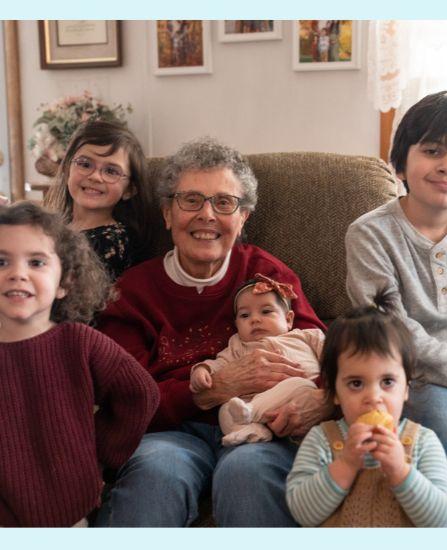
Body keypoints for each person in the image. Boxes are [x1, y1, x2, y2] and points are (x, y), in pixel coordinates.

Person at [93, 136, 326, 527]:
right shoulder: (130, 294)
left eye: (223, 203)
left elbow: (327, 356)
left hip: (264, 428)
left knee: (247, 472)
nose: (207, 215)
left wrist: (320, 400)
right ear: (167, 213)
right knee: (156, 471)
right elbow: (124, 400)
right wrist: (212, 389)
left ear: (243, 218)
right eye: (191, 200)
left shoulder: (269, 277)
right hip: (171, 433)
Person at [345, 90, 447, 526]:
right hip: (416, 371)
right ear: (400, 164)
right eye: (433, 150)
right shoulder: (370, 235)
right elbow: (394, 333)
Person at [0, 201, 159, 527]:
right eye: (1, 261)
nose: (17, 273)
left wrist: (98, 453)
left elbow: (141, 393)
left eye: (36, 261)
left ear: (65, 282)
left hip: (71, 514)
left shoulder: (80, 342)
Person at [286, 291, 447, 527]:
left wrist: (401, 471)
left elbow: (442, 520)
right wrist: (346, 464)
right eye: (356, 383)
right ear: (335, 392)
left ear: (406, 389)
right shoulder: (322, 441)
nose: (374, 398)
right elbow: (302, 513)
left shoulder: (422, 442)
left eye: (387, 382)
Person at [190, 273, 327, 447]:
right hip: (257, 409)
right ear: (236, 324)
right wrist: (202, 370)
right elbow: (219, 365)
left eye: (266, 311)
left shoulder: (307, 336)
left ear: (288, 319)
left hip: (302, 402)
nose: (254, 319)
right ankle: (251, 431)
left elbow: (335, 358)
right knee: (225, 410)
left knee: (301, 384)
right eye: (245, 316)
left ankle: (251, 414)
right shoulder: (237, 345)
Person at [44, 120, 156, 281]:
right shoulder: (54, 226)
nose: (95, 176)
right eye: (85, 164)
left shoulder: (113, 242)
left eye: (111, 171)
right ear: (68, 168)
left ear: (129, 190)